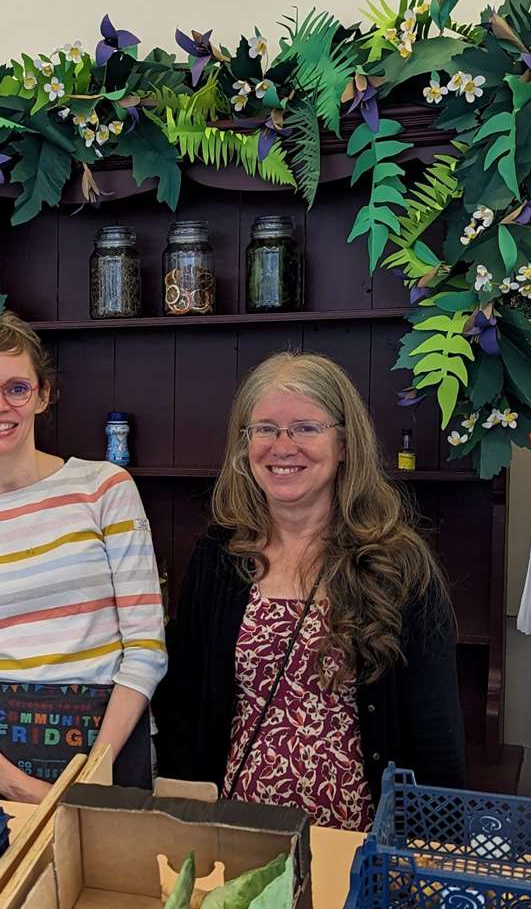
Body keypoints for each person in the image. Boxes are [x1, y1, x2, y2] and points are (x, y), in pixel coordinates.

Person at [154, 352, 463, 829]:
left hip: (358, 849)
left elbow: (436, 735)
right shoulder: (219, 555)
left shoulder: (399, 566)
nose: (283, 446)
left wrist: (429, 858)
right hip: (238, 836)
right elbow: (183, 704)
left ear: (344, 443)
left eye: (305, 428)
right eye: (265, 429)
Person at [0, 312, 166, 802]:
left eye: (17, 388)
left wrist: (96, 770)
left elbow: (146, 650)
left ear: (42, 395)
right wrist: (10, 782)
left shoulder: (104, 488)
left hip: (106, 747)